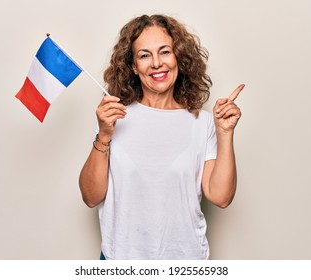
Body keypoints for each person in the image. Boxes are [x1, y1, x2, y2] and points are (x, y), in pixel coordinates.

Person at [79, 14, 244, 260]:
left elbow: (220, 197)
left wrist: (225, 132)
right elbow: (91, 197)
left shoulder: (204, 123)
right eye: (144, 55)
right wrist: (103, 135)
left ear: (178, 56)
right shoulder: (114, 118)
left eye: (165, 52)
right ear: (133, 66)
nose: (157, 63)